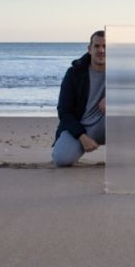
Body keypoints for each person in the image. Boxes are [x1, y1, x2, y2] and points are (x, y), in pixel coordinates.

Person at [51, 30, 106, 167]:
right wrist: (82, 136)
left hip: (108, 124)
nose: (101, 50)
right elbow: (64, 110)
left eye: (105, 47)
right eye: (97, 46)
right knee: (62, 159)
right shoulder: (75, 73)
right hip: (81, 126)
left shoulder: (122, 71)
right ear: (89, 49)